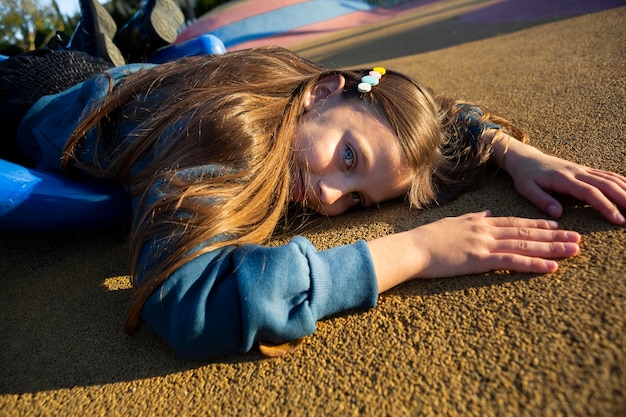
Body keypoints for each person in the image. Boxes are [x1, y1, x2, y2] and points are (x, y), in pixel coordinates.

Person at [1, 6, 625, 362]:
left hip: (163, 85)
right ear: (324, 92)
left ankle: (134, 39)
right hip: (44, 94)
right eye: (346, 158)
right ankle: (112, 44)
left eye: (356, 199)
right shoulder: (235, 136)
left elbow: (419, 113)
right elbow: (189, 301)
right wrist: (414, 251)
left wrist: (513, 153)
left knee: (131, 63)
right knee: (70, 66)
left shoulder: (320, 95)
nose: (329, 195)